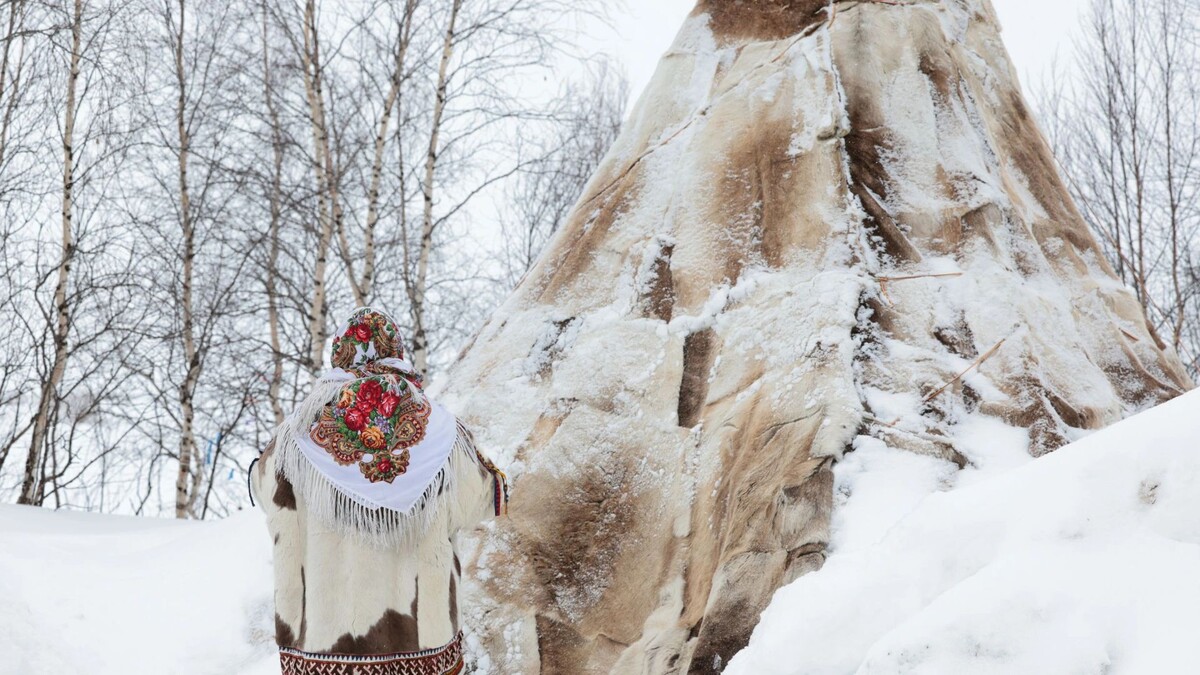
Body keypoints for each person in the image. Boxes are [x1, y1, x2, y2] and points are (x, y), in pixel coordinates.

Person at [251, 307, 507, 675]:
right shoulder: (442, 430)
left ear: (339, 353)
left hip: (321, 648)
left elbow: (263, 491)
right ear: (396, 351)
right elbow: (482, 500)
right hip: (422, 647)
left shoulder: (295, 434)